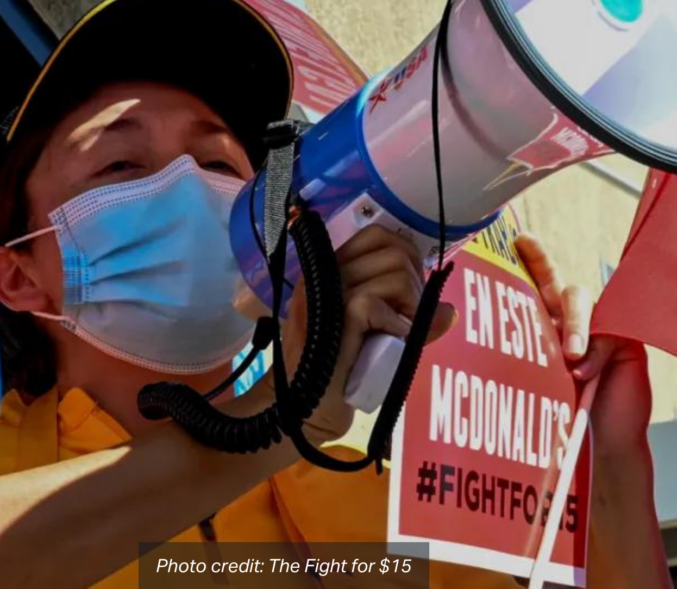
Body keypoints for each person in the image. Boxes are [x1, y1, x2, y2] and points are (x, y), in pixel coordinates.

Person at [0, 0, 669, 588]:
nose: (186, 183)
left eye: (217, 164)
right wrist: (274, 420)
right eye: (120, 165)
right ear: (18, 273)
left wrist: (604, 468)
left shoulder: (389, 464)